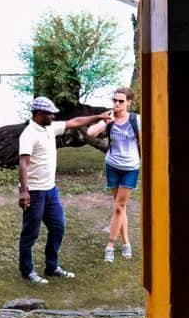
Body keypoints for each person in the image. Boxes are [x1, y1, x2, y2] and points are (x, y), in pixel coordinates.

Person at [18, 96, 111, 284]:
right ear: (38, 114)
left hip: (50, 190)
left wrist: (98, 117)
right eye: (49, 113)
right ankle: (27, 271)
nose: (53, 116)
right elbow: (23, 164)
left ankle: (51, 267)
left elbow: (74, 122)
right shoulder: (29, 134)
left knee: (58, 227)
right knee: (31, 232)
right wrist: (23, 191)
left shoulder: (49, 128)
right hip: (34, 192)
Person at [87, 87, 141, 263]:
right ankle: (126, 243)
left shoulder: (135, 120)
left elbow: (143, 142)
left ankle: (110, 245)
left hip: (130, 167)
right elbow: (90, 133)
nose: (117, 104)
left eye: (121, 101)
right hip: (112, 166)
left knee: (119, 207)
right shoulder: (109, 119)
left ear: (129, 102)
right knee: (120, 207)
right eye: (115, 100)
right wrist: (105, 118)